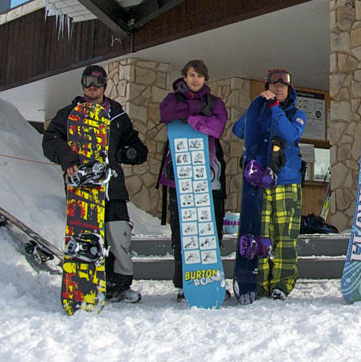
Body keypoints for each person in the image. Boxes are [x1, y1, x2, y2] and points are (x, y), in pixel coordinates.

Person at [43, 64, 149, 303]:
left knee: (119, 236)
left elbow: (137, 149)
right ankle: (86, 284)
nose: (92, 87)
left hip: (112, 187)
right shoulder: (70, 114)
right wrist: (66, 157)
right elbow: (50, 139)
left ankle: (119, 284)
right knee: (87, 238)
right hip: (85, 189)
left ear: (104, 85)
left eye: (97, 82)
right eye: (87, 82)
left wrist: (126, 154)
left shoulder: (117, 116)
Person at [231, 68, 306, 301]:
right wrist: (256, 108)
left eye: (283, 85)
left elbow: (291, 134)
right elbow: (238, 130)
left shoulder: (297, 113)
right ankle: (259, 283)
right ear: (267, 86)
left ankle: (282, 285)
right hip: (260, 183)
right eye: (274, 85)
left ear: (289, 89)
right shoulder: (260, 110)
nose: (279, 88)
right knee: (261, 235)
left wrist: (275, 108)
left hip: (287, 182)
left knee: (285, 237)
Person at [158, 59, 229, 302]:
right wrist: (198, 114)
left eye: (199, 75)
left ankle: (212, 279)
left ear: (206, 79)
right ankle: (182, 283)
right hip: (179, 177)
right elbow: (166, 113)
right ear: (185, 77)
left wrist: (191, 120)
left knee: (212, 228)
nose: (195, 79)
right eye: (191, 75)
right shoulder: (173, 99)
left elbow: (217, 128)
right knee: (181, 231)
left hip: (210, 176)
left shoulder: (215, 102)